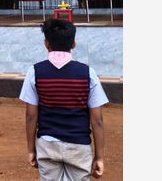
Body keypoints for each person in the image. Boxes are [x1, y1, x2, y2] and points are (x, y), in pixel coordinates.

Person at [19, 18, 108, 180]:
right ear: (73, 43)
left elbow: (31, 116)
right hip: (79, 146)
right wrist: (99, 157)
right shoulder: (88, 73)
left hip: (47, 144)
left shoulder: (34, 72)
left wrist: (31, 149)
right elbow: (97, 120)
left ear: (46, 43)